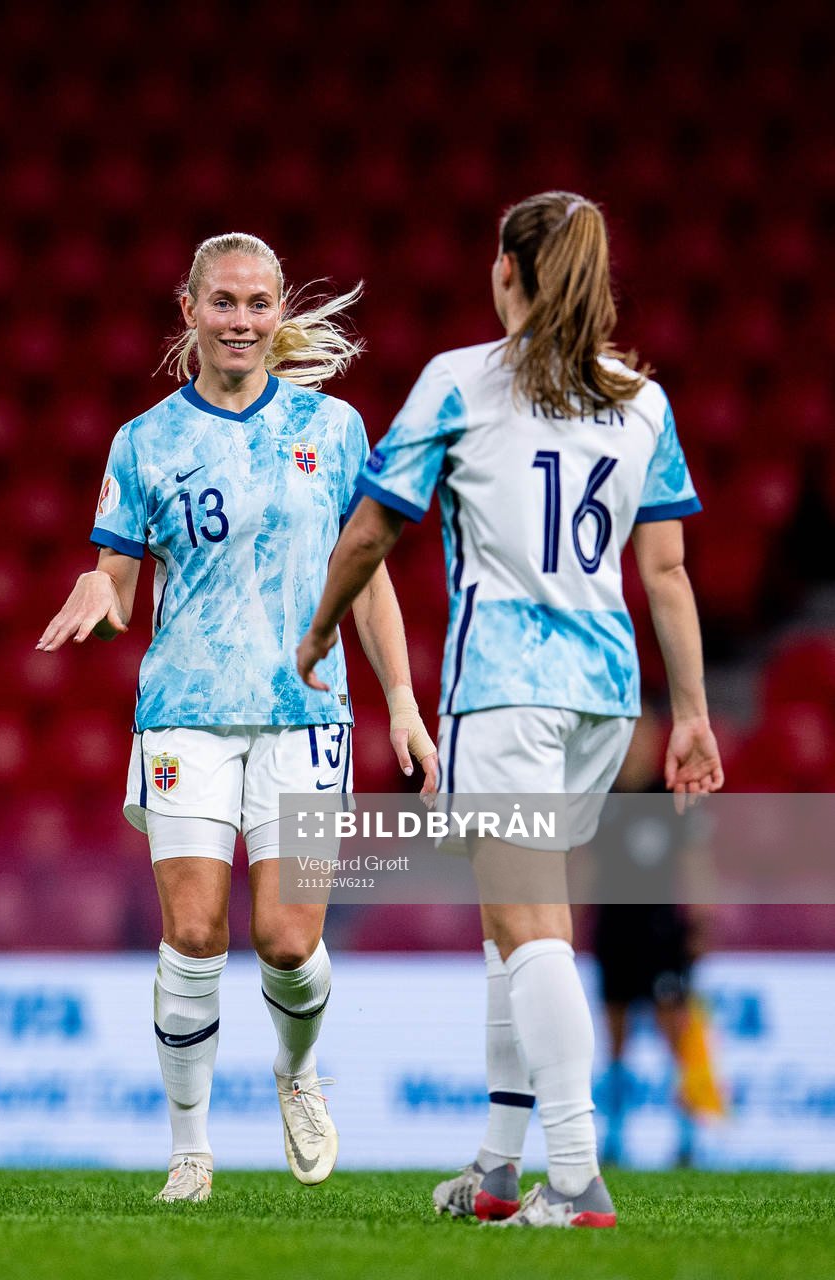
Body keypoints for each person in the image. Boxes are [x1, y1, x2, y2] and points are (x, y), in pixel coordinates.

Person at [297, 192, 723, 1228]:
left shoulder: (460, 381)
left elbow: (368, 534)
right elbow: (664, 569)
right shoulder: (640, 401)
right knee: (509, 927)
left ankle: (573, 1176)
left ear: (505, 270)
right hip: (605, 702)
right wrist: (695, 715)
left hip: (505, 691)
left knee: (530, 926)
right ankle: (495, 1167)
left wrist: (315, 634)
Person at [37, 233, 437, 1203]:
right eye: (223, 302)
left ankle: (296, 1071)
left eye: (257, 303)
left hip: (304, 713)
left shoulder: (333, 426)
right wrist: (98, 586)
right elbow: (121, 582)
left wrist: (401, 704)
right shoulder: (144, 441)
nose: (242, 320)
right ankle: (190, 1150)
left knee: (290, 944)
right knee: (195, 930)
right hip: (185, 714)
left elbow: (366, 576)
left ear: (277, 311)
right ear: (190, 310)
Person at [591, 704, 721, 1167]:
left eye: (643, 732)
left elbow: (695, 859)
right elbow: (582, 862)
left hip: (662, 928)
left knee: (675, 1036)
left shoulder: (670, 794)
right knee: (615, 1040)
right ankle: (615, 1137)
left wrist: (701, 920)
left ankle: (687, 1138)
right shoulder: (601, 794)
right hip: (613, 927)